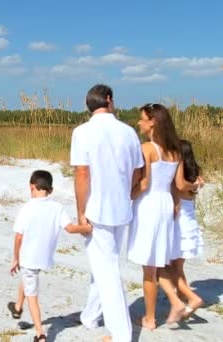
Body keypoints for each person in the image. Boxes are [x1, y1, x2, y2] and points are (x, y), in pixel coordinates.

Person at [71, 84, 144, 342]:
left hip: (97, 208)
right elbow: (138, 170)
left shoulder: (82, 132)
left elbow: (82, 174)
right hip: (122, 206)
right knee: (105, 264)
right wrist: (129, 189)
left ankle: (121, 333)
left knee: (107, 269)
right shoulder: (128, 132)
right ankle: (90, 316)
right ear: (109, 100)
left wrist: (81, 211)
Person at [127, 103, 201, 330]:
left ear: (153, 122)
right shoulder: (175, 152)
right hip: (166, 204)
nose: (139, 122)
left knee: (149, 267)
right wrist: (195, 186)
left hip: (149, 204)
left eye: (142, 119)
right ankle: (175, 300)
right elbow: (179, 185)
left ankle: (151, 318)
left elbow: (144, 182)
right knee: (158, 260)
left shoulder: (147, 149)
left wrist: (130, 194)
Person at [7, 170, 91, 342]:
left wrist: (15, 258)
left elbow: (18, 237)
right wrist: (87, 228)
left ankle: (41, 334)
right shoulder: (57, 207)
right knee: (28, 275)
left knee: (33, 296)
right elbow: (69, 228)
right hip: (44, 258)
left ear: (31, 187)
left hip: (28, 257)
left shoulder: (27, 208)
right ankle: (17, 308)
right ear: (50, 190)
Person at [169, 139, 205, 318]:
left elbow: (179, 187)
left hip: (180, 224)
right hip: (189, 222)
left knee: (171, 268)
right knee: (178, 266)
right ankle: (183, 296)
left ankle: (191, 297)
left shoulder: (181, 178)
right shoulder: (195, 174)